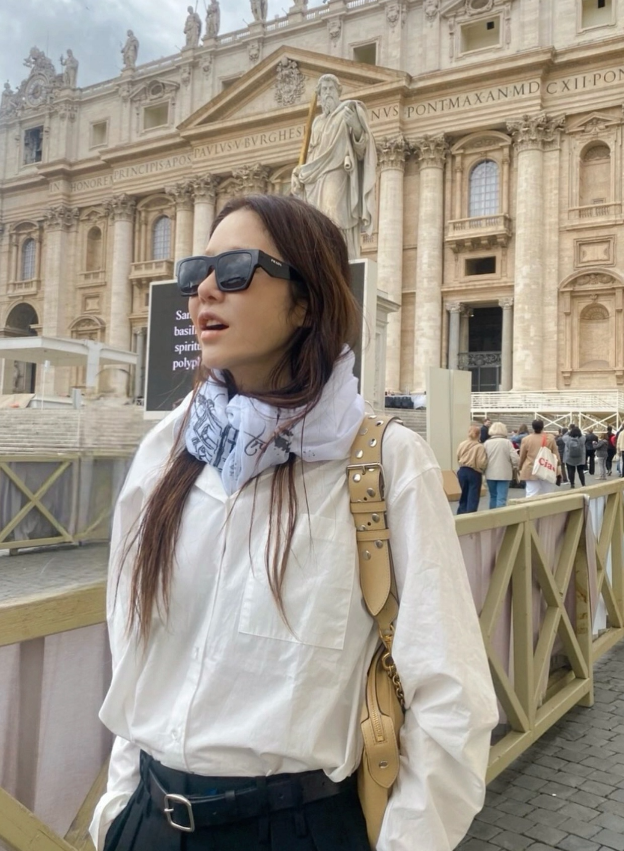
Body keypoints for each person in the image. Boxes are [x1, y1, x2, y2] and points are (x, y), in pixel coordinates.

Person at [89, 195, 497, 851]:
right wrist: (116, 813)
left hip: (294, 828)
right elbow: (136, 655)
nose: (204, 291)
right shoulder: (165, 452)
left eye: (236, 269)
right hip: (150, 822)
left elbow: (452, 696)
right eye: (196, 272)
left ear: (307, 301)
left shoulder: (389, 463)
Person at [291, 74, 377, 259]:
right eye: (324, 89)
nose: (328, 93)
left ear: (338, 91)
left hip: (336, 173)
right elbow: (312, 154)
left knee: (333, 216)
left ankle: (337, 258)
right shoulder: (317, 122)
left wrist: (356, 127)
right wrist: (301, 172)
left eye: (331, 88)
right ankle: (320, 259)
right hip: (315, 179)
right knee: (315, 221)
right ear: (319, 95)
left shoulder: (349, 111)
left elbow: (362, 152)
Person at [518, 419, 561, 498]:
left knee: (531, 494)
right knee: (548, 494)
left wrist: (520, 467)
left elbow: (522, 456)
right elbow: (556, 455)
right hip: (546, 468)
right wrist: (558, 467)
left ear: (532, 427)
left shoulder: (526, 439)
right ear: (543, 427)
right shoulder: (550, 438)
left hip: (531, 469)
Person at [484, 421, 519, 509]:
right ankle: (500, 516)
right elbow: (515, 459)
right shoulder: (507, 442)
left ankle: (492, 515)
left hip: (490, 473)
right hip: (504, 473)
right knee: (501, 498)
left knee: (493, 497)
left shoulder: (487, 443)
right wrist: (514, 466)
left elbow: (483, 459)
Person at [456, 424, 487, 514]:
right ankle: (471, 514)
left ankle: (461, 513)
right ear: (479, 434)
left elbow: (458, 456)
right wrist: (482, 469)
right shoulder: (479, 446)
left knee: (464, 493)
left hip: (462, 470)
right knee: (473, 495)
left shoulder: (462, 444)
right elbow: (481, 462)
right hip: (474, 471)